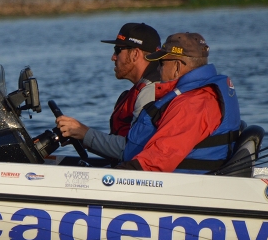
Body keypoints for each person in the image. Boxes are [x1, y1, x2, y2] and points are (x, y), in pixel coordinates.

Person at [118, 32, 241, 173]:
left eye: (161, 63)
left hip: (176, 181)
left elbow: (160, 158)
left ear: (177, 67)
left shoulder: (192, 103)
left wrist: (118, 173)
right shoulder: (197, 96)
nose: (158, 69)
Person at [55, 23, 161, 160]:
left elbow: (132, 149)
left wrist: (84, 133)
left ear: (135, 54)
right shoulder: (141, 89)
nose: (113, 57)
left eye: (118, 50)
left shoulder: (152, 91)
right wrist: (83, 139)